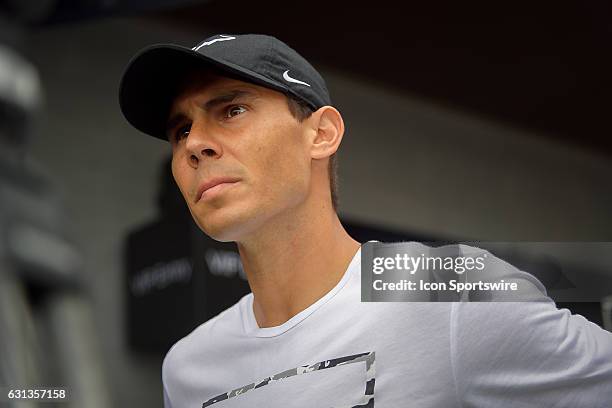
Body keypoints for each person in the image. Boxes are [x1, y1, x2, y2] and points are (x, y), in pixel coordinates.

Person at [118, 34, 612, 407]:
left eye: (232, 109)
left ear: (322, 134)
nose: (193, 145)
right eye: (180, 129)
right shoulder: (188, 366)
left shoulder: (441, 289)